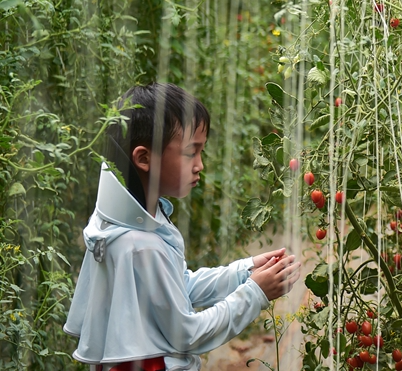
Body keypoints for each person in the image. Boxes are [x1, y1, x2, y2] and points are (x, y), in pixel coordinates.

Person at [64, 83, 302, 371]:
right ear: (144, 158)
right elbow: (187, 335)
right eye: (191, 152)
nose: (199, 165)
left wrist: (244, 271)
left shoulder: (121, 220)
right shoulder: (141, 244)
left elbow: (176, 287)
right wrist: (254, 293)